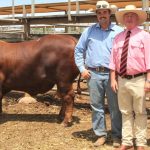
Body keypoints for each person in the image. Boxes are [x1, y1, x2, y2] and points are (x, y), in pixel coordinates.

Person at [74, 0, 122, 147]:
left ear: (109, 14)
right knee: (96, 106)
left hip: (113, 74)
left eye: (105, 12)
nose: (102, 15)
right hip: (93, 74)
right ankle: (100, 134)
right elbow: (78, 50)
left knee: (115, 106)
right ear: (96, 15)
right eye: (99, 13)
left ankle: (117, 136)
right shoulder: (88, 31)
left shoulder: (119, 31)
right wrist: (82, 69)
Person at [109, 5, 150, 150]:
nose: (129, 18)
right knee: (125, 112)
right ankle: (126, 141)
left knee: (140, 112)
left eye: (132, 15)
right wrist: (113, 79)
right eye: (127, 16)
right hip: (122, 80)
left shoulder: (145, 36)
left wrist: (148, 80)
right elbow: (113, 60)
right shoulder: (118, 37)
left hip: (139, 79)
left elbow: (149, 59)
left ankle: (140, 143)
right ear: (123, 19)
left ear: (138, 19)